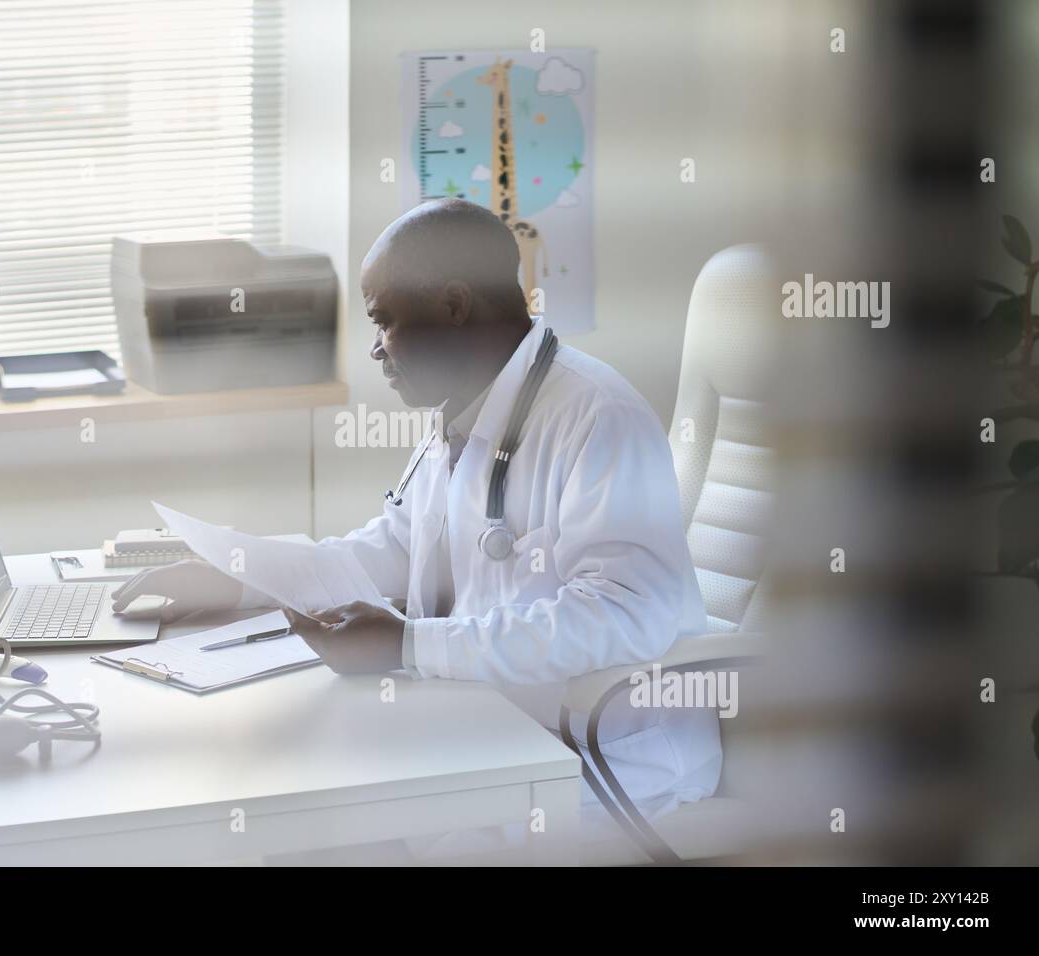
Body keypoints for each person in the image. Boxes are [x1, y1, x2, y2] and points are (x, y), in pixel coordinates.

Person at [113, 198, 720, 825]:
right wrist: (240, 575)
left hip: (607, 762)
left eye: (384, 321)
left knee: (341, 819)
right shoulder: (465, 410)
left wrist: (410, 644)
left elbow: (625, 615)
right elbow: (394, 551)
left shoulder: (596, 416)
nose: (376, 350)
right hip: (493, 731)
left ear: (454, 306)